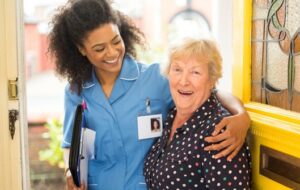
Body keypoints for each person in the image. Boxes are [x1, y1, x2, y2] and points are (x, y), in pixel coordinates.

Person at [48, 0, 250, 189]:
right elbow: (70, 144)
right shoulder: (76, 91)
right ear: (82, 49)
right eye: (99, 48)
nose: (111, 52)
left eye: (116, 41)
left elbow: (207, 90)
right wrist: (69, 169)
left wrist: (242, 116)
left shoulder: (155, 79)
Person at [144, 38, 251, 189]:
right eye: (177, 69)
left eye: (195, 72)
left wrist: (242, 115)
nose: (183, 81)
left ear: (212, 79)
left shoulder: (219, 131)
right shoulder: (171, 116)